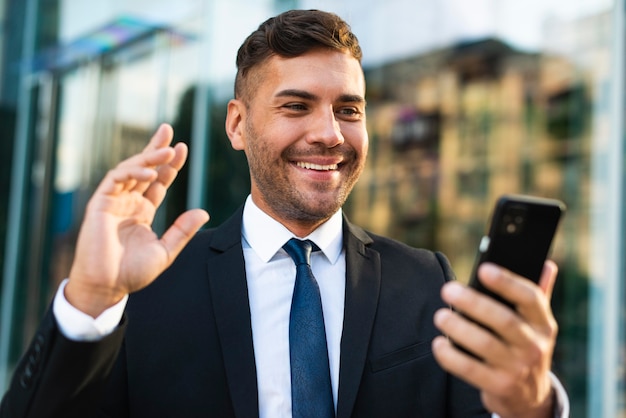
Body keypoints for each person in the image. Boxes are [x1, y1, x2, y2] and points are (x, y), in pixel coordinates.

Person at [1, 9, 568, 418]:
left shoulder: (426, 282)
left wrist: (531, 406)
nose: (328, 134)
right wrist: (92, 300)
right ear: (237, 125)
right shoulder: (149, 287)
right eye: (296, 106)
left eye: (348, 110)